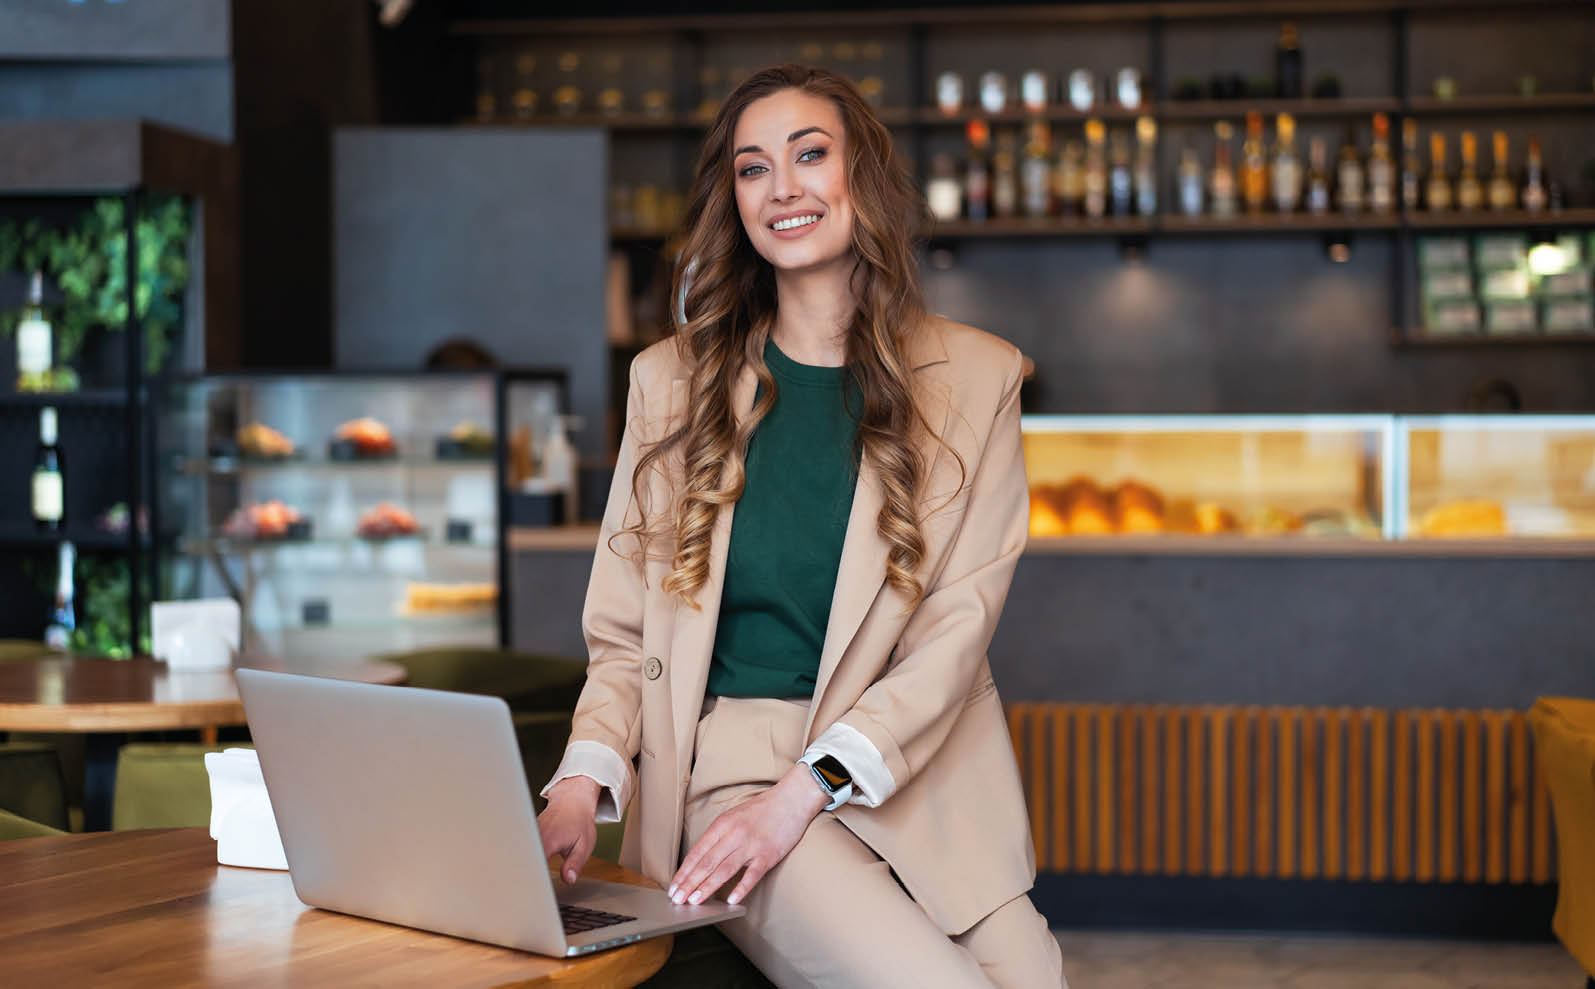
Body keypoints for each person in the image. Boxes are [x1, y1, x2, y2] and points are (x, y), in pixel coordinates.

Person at [536, 64, 1065, 987]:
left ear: (861, 176)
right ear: (732, 198)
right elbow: (622, 633)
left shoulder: (980, 380)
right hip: (731, 776)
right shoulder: (669, 383)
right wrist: (580, 783)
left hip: (921, 776)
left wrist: (807, 791)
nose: (781, 187)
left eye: (809, 155)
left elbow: (955, 632)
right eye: (751, 168)